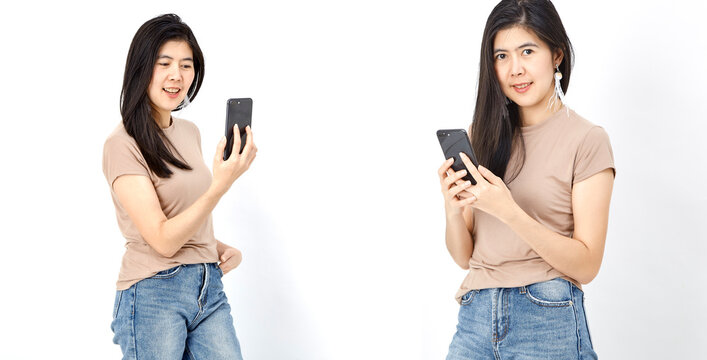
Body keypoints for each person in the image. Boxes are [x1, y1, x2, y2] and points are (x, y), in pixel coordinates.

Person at [439, 1, 614, 359]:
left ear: (557, 56)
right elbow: (464, 257)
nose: (514, 69)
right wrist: (453, 210)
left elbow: (587, 264)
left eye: (527, 51)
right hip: (475, 315)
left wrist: (509, 211)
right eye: (501, 56)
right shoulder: (480, 137)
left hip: (545, 317)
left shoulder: (587, 139)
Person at [103, 14, 256, 359]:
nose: (177, 75)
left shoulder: (189, 132)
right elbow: (160, 238)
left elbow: (177, 215)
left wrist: (213, 245)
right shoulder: (122, 144)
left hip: (207, 286)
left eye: (186, 65)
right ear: (142, 68)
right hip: (154, 292)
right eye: (165, 63)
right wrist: (221, 185)